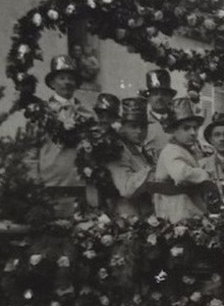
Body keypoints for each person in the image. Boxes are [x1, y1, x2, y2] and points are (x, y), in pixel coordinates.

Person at [37, 55, 93, 210]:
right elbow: (31, 148)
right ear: (52, 83)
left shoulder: (87, 113)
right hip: (51, 180)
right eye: (62, 78)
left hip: (81, 181)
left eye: (71, 79)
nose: (67, 82)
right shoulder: (42, 113)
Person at [153, 97, 213, 222]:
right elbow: (181, 174)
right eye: (186, 128)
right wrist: (205, 174)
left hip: (187, 211)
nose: (193, 132)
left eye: (195, 128)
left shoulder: (184, 149)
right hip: (176, 214)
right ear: (174, 130)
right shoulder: (172, 150)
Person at [105, 98, 155, 219]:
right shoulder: (117, 150)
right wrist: (152, 171)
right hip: (127, 216)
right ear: (122, 127)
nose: (139, 131)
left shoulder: (138, 149)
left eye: (143, 127)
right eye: (133, 126)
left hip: (143, 214)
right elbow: (126, 188)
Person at [142, 69, 177, 158]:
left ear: (170, 98)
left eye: (164, 94)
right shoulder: (142, 124)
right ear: (148, 98)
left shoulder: (178, 122)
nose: (160, 97)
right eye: (155, 94)